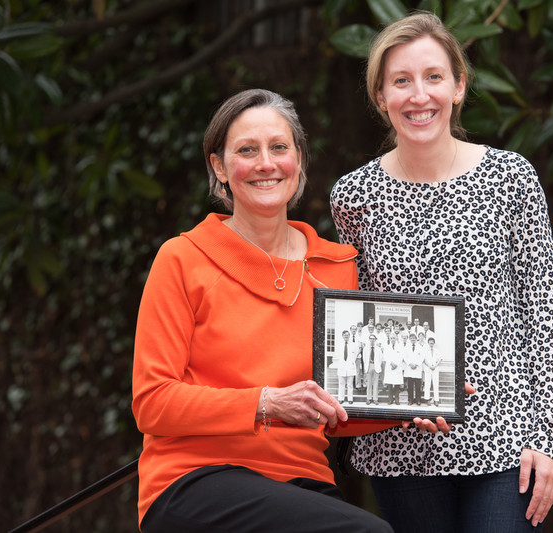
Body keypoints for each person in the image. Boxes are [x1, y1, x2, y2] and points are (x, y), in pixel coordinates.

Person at [330, 11, 553, 533]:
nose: (419, 95)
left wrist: (552, 440)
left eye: (434, 77)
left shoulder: (510, 177)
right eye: (401, 81)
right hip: (399, 448)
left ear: (459, 87)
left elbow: (545, 315)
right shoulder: (353, 196)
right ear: (381, 97)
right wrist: (395, 400)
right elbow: (356, 326)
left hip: (509, 440)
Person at [131, 88, 396, 533]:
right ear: (219, 166)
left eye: (279, 148)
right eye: (247, 151)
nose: (265, 164)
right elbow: (152, 403)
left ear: (299, 160)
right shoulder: (182, 258)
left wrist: (409, 407)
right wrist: (265, 403)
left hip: (303, 484)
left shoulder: (338, 267)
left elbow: (338, 408)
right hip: (196, 478)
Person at [336, 330, 358, 404]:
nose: (346, 336)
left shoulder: (353, 345)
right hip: (342, 366)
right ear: (342, 336)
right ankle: (341, 398)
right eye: (345, 335)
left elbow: (355, 355)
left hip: (350, 367)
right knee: (341, 384)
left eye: (347, 335)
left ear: (349, 336)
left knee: (350, 384)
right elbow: (337, 356)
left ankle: (350, 399)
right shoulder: (339, 345)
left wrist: (351, 362)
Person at [423, 337, 443, 406]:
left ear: (434, 343)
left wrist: (435, 366)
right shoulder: (425, 350)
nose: (431, 344)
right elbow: (424, 360)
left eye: (432, 343)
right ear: (428, 343)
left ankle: (436, 400)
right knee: (427, 384)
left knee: (435, 384)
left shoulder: (437, 351)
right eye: (430, 343)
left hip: (435, 369)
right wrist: (429, 366)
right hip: (428, 369)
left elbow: (440, 359)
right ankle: (427, 399)